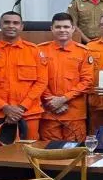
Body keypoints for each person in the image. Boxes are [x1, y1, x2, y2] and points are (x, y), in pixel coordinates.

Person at [0, 11, 48, 143]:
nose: (11, 26)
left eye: (15, 23)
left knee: (30, 155)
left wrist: (21, 108)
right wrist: (4, 107)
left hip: (28, 113)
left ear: (21, 26)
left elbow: (41, 82)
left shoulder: (34, 51)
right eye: (7, 22)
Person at [38, 13, 94, 143]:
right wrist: (52, 101)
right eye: (58, 27)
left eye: (66, 27)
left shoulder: (84, 52)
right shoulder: (40, 50)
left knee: (74, 152)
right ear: (51, 28)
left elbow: (87, 81)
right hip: (49, 112)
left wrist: (63, 99)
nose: (62, 30)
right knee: (50, 153)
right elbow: (37, 80)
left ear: (73, 29)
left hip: (74, 114)